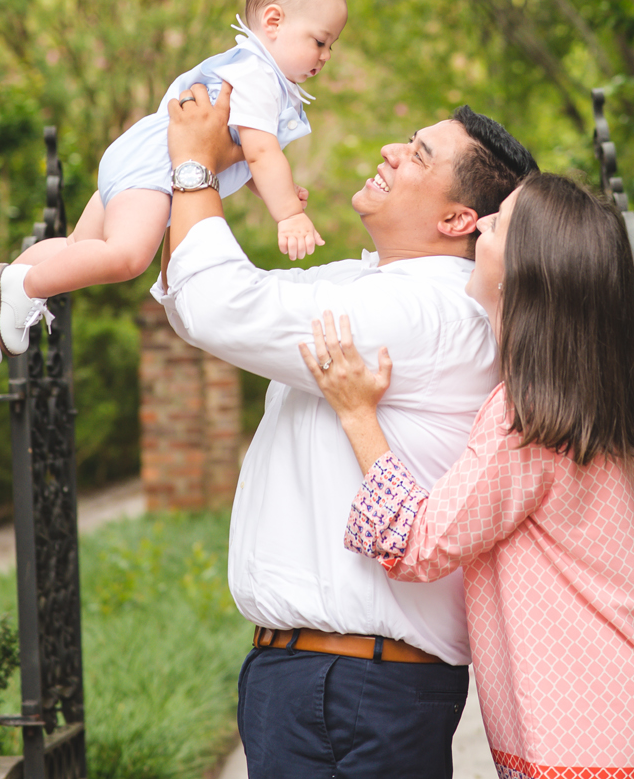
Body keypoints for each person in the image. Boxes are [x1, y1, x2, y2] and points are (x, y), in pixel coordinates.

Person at [152, 80, 538, 779]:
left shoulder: (422, 313)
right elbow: (199, 300)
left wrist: (191, 164)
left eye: (419, 154)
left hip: (349, 686)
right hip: (323, 677)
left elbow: (219, 307)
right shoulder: (372, 286)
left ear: (457, 219)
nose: (392, 150)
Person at [301, 172, 634, 779]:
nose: (482, 223)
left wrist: (357, 414)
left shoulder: (524, 419)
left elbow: (418, 544)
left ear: (525, 271)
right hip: (633, 712)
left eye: (499, 222)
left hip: (585, 737)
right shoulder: (593, 399)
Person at [0, 0, 347, 369]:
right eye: (320, 41)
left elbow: (240, 156)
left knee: (80, 246)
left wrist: (269, 187)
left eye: (332, 45)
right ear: (274, 22)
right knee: (127, 257)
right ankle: (25, 290)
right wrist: (287, 212)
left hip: (138, 155)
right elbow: (260, 150)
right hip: (154, 169)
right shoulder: (259, 77)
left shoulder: (248, 68)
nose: (326, 55)